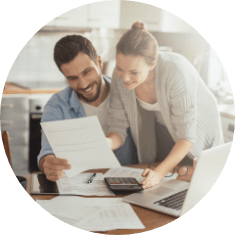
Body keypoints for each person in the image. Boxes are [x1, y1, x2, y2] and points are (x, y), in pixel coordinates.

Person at [106, 21, 224, 189]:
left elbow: (187, 137)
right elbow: (117, 128)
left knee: (194, 176)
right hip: (164, 123)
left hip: (197, 126)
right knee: (163, 175)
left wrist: (160, 173)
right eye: (119, 69)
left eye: (134, 72)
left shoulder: (176, 72)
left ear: (152, 64)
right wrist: (105, 143)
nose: (124, 78)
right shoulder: (119, 77)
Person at [37, 34, 136, 182]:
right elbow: (47, 152)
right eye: (73, 78)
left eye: (87, 72)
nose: (83, 84)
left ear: (99, 62)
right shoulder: (57, 105)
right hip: (81, 185)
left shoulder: (126, 92)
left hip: (129, 183)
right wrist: (49, 164)